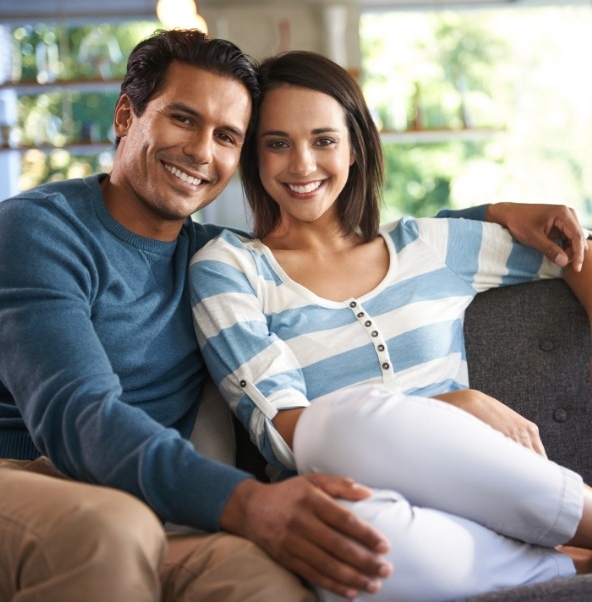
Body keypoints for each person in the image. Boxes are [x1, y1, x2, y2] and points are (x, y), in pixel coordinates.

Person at [0, 29, 586, 602]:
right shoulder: (34, 234)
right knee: (110, 531)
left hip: (144, 503)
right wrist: (248, 502)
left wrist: (495, 213)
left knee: (268, 576)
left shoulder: (206, 255)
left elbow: (345, 250)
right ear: (126, 116)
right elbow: (78, 415)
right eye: (182, 119)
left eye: (226, 136)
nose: (201, 152)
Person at [188, 49, 592, 601]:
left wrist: (501, 208)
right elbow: (284, 431)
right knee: (338, 465)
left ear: (355, 147)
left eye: (324, 140)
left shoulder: (425, 246)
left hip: (479, 486)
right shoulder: (231, 268)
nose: (302, 164)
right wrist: (456, 404)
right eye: (277, 143)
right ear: (254, 156)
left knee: (338, 427)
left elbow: (575, 251)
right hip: (364, 505)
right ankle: (564, 564)